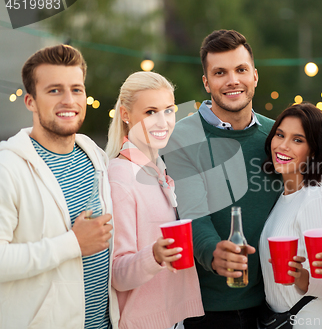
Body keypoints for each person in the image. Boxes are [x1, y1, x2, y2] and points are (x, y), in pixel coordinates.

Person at [164, 29, 281, 329]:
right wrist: (214, 254)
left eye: (240, 69)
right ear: (206, 82)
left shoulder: (278, 136)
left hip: (275, 301)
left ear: (255, 75)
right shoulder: (182, 137)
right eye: (220, 72)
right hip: (207, 308)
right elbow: (193, 214)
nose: (232, 80)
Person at [0, 44, 119, 328]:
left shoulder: (95, 156)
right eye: (54, 91)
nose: (69, 100)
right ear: (30, 101)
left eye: (76, 89)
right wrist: (73, 243)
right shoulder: (8, 168)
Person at [105, 71, 204, 329]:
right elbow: (116, 274)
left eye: (168, 110)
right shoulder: (121, 176)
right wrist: (155, 256)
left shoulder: (156, 168)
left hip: (171, 319)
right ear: (126, 115)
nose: (163, 122)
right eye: (150, 112)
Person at [259, 103, 322, 328]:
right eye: (280, 135)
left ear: (314, 151)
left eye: (297, 140)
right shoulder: (285, 196)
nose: (283, 146)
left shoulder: (315, 199)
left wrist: (299, 276)